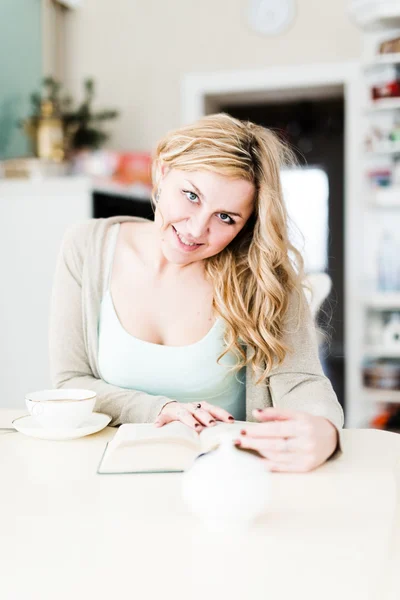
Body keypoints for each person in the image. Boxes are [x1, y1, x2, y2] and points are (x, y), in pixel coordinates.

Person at [49, 113, 344, 472]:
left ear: (246, 223)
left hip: (228, 479)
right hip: (106, 478)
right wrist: (159, 409)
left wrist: (325, 431)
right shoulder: (86, 247)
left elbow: (301, 382)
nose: (196, 229)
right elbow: (70, 382)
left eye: (226, 218)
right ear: (162, 171)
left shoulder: (263, 274)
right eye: (191, 195)